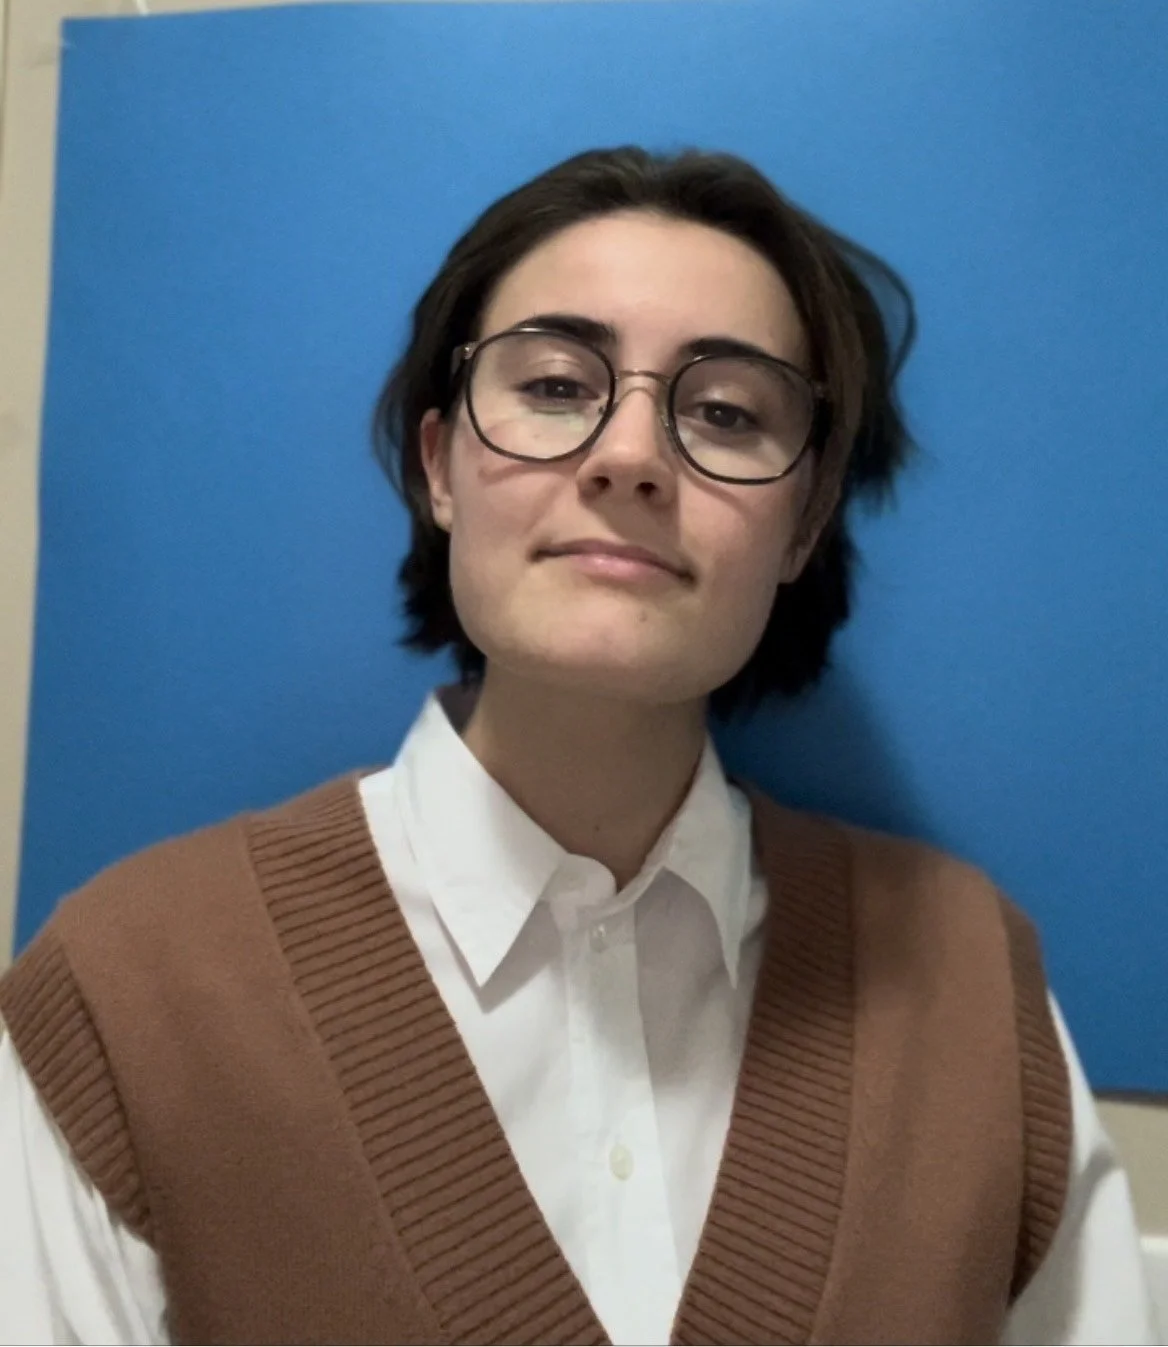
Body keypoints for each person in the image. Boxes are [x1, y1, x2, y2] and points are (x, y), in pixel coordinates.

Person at [0, 146, 1158, 1346]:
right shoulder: (129, 992)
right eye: (556, 386)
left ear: (804, 523)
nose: (631, 456)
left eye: (724, 411)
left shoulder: (966, 982)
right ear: (439, 463)